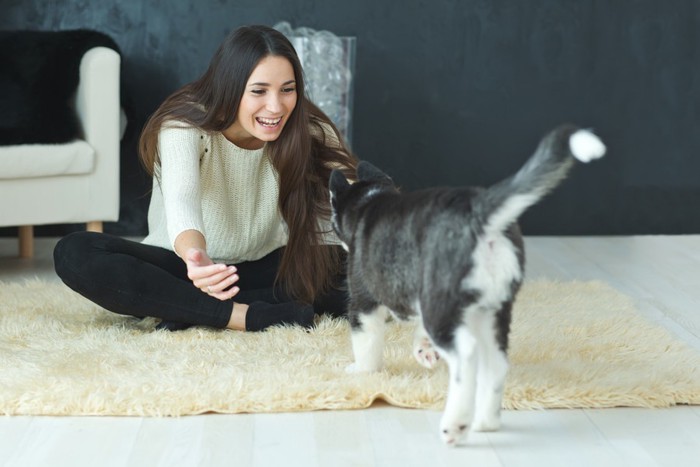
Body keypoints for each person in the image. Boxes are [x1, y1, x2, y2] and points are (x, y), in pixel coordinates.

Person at [53, 24, 358, 332]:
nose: (276, 106)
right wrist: (197, 260)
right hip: (184, 267)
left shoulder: (312, 131)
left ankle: (186, 308)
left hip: (268, 266)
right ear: (230, 86)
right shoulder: (184, 126)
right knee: (75, 252)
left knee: (361, 265)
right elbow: (181, 200)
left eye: (287, 89)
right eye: (259, 91)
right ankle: (245, 316)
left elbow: (344, 207)